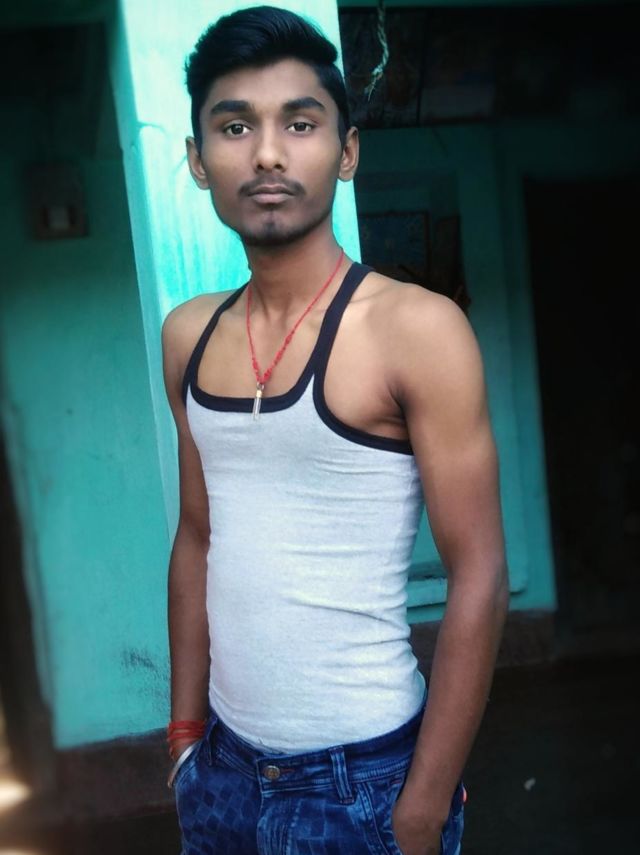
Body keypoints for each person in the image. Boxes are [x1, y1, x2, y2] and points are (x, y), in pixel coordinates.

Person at [161, 6, 509, 855]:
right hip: (224, 772)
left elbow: (480, 572)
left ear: (347, 151)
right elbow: (199, 535)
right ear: (199, 159)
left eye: (300, 123)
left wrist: (422, 805)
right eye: (235, 126)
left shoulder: (415, 329)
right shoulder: (188, 335)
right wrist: (184, 738)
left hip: (368, 783)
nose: (267, 154)